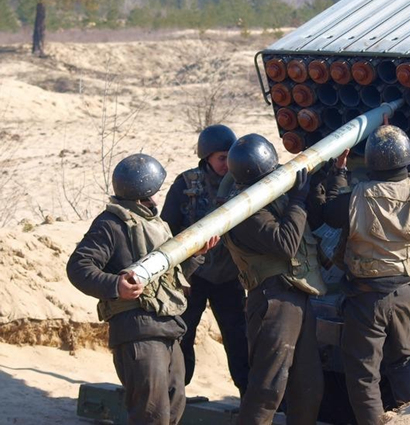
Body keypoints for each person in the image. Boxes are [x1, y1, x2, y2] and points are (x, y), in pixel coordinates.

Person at [66, 153, 219, 425]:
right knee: (151, 413)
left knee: (173, 405)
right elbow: (78, 267)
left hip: (167, 327)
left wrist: (196, 255)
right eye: (153, 191)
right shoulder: (111, 224)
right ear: (142, 192)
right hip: (137, 330)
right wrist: (116, 285)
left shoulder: (155, 225)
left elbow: (168, 279)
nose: (156, 198)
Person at [323, 125, 410, 425]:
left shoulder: (356, 198)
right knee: (404, 360)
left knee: (363, 373)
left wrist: (339, 173)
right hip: (405, 292)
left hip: (367, 297)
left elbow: (328, 212)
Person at [222, 133, 326, 425]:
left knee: (308, 387)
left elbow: (313, 220)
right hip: (273, 300)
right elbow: (285, 243)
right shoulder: (244, 210)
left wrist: (322, 182)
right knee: (267, 389)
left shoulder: (270, 198)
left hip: (297, 295)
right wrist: (298, 200)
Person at [160, 124, 249, 394]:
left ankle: (248, 396)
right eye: (221, 158)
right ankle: (176, 393)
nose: (226, 164)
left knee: (238, 338)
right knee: (182, 334)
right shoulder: (186, 184)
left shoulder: (242, 183)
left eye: (229, 157)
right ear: (206, 157)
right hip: (192, 276)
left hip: (229, 275)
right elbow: (166, 229)